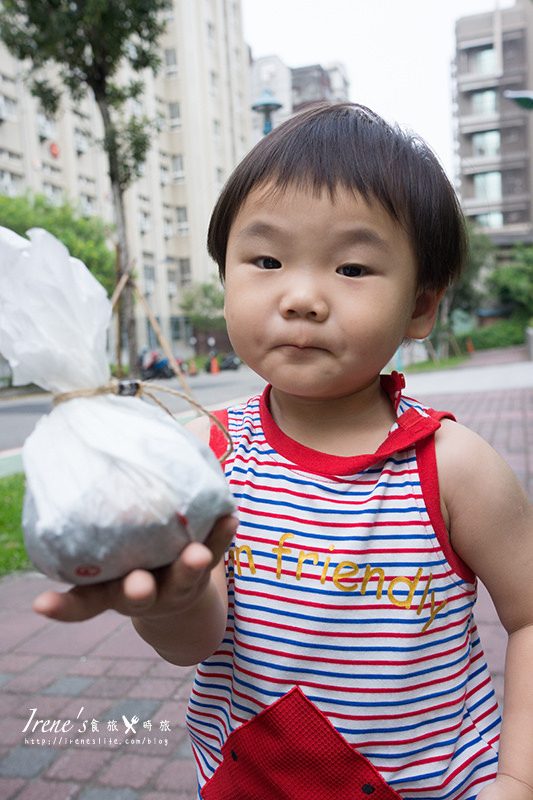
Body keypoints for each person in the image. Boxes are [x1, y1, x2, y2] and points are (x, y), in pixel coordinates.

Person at [34, 103, 533, 800]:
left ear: (421, 306)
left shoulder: (449, 465)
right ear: (226, 274)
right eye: (265, 260)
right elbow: (192, 644)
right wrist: (167, 605)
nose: (301, 297)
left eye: (352, 268)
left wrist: (516, 776)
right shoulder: (205, 455)